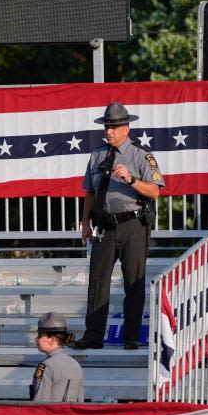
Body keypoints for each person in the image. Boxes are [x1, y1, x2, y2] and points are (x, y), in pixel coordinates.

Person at [73, 102, 164, 351]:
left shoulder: (141, 155)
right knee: (97, 282)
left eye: (113, 127)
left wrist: (131, 179)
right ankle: (93, 336)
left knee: (133, 282)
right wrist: (85, 223)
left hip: (133, 224)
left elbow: (154, 191)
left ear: (126, 128)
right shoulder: (97, 155)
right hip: (104, 225)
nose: (109, 131)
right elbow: (90, 193)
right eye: (107, 126)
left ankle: (131, 336)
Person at [31, 312, 85, 402]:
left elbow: (40, 404)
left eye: (40, 335)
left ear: (52, 340)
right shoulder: (75, 364)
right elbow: (80, 401)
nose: (36, 339)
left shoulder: (46, 366)